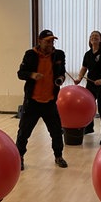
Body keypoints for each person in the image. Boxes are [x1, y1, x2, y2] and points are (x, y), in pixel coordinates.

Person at [16, 29, 68, 170]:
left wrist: (60, 79)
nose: (51, 43)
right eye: (47, 41)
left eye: (52, 41)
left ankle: (58, 156)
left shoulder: (59, 54)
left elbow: (62, 72)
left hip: (50, 101)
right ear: (40, 41)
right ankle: (19, 157)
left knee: (56, 131)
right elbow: (20, 73)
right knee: (24, 132)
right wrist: (32, 75)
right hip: (32, 101)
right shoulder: (30, 55)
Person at [73, 31, 101, 145]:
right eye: (92, 36)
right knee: (89, 106)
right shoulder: (87, 54)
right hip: (91, 84)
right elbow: (84, 68)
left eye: (96, 36)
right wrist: (79, 78)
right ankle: (89, 128)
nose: (94, 37)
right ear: (90, 40)